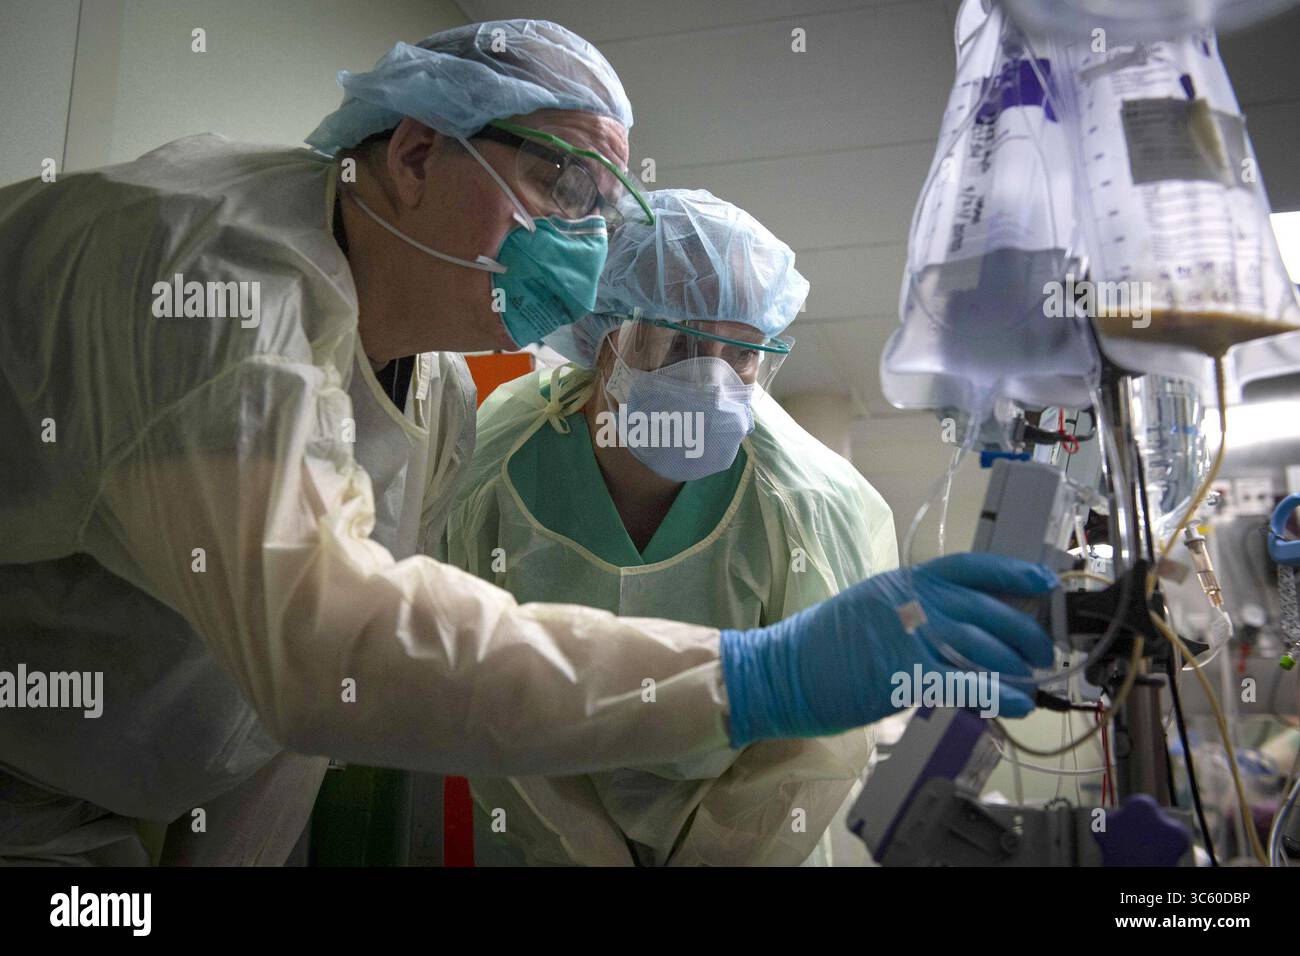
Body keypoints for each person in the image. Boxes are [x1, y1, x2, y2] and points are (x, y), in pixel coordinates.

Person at [0, 19, 1056, 867]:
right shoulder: (211, 290)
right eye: (564, 187)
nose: (588, 244)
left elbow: (314, 710)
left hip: (113, 797)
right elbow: (328, 650)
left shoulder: (439, 395)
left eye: (607, 209)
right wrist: (755, 674)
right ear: (415, 152)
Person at [448, 188, 897, 866]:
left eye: (743, 355)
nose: (714, 381)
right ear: (605, 337)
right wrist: (577, 845)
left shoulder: (806, 500)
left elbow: (815, 742)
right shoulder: (492, 467)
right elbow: (477, 686)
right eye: (682, 343)